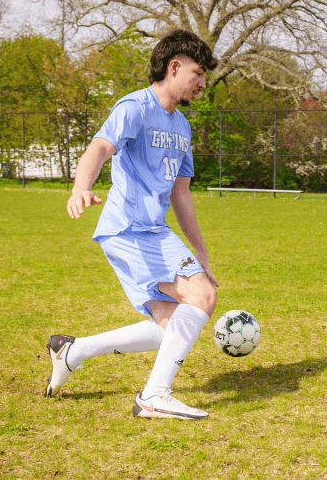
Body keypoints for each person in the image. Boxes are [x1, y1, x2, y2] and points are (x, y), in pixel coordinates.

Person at [45, 29, 220, 420]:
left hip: (153, 231)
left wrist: (201, 252)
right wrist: (80, 188)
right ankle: (154, 396)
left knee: (171, 323)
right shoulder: (135, 107)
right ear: (174, 68)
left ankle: (73, 350)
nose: (203, 84)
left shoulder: (182, 128)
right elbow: (100, 148)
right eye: (198, 74)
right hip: (126, 229)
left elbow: (181, 195)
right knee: (203, 297)